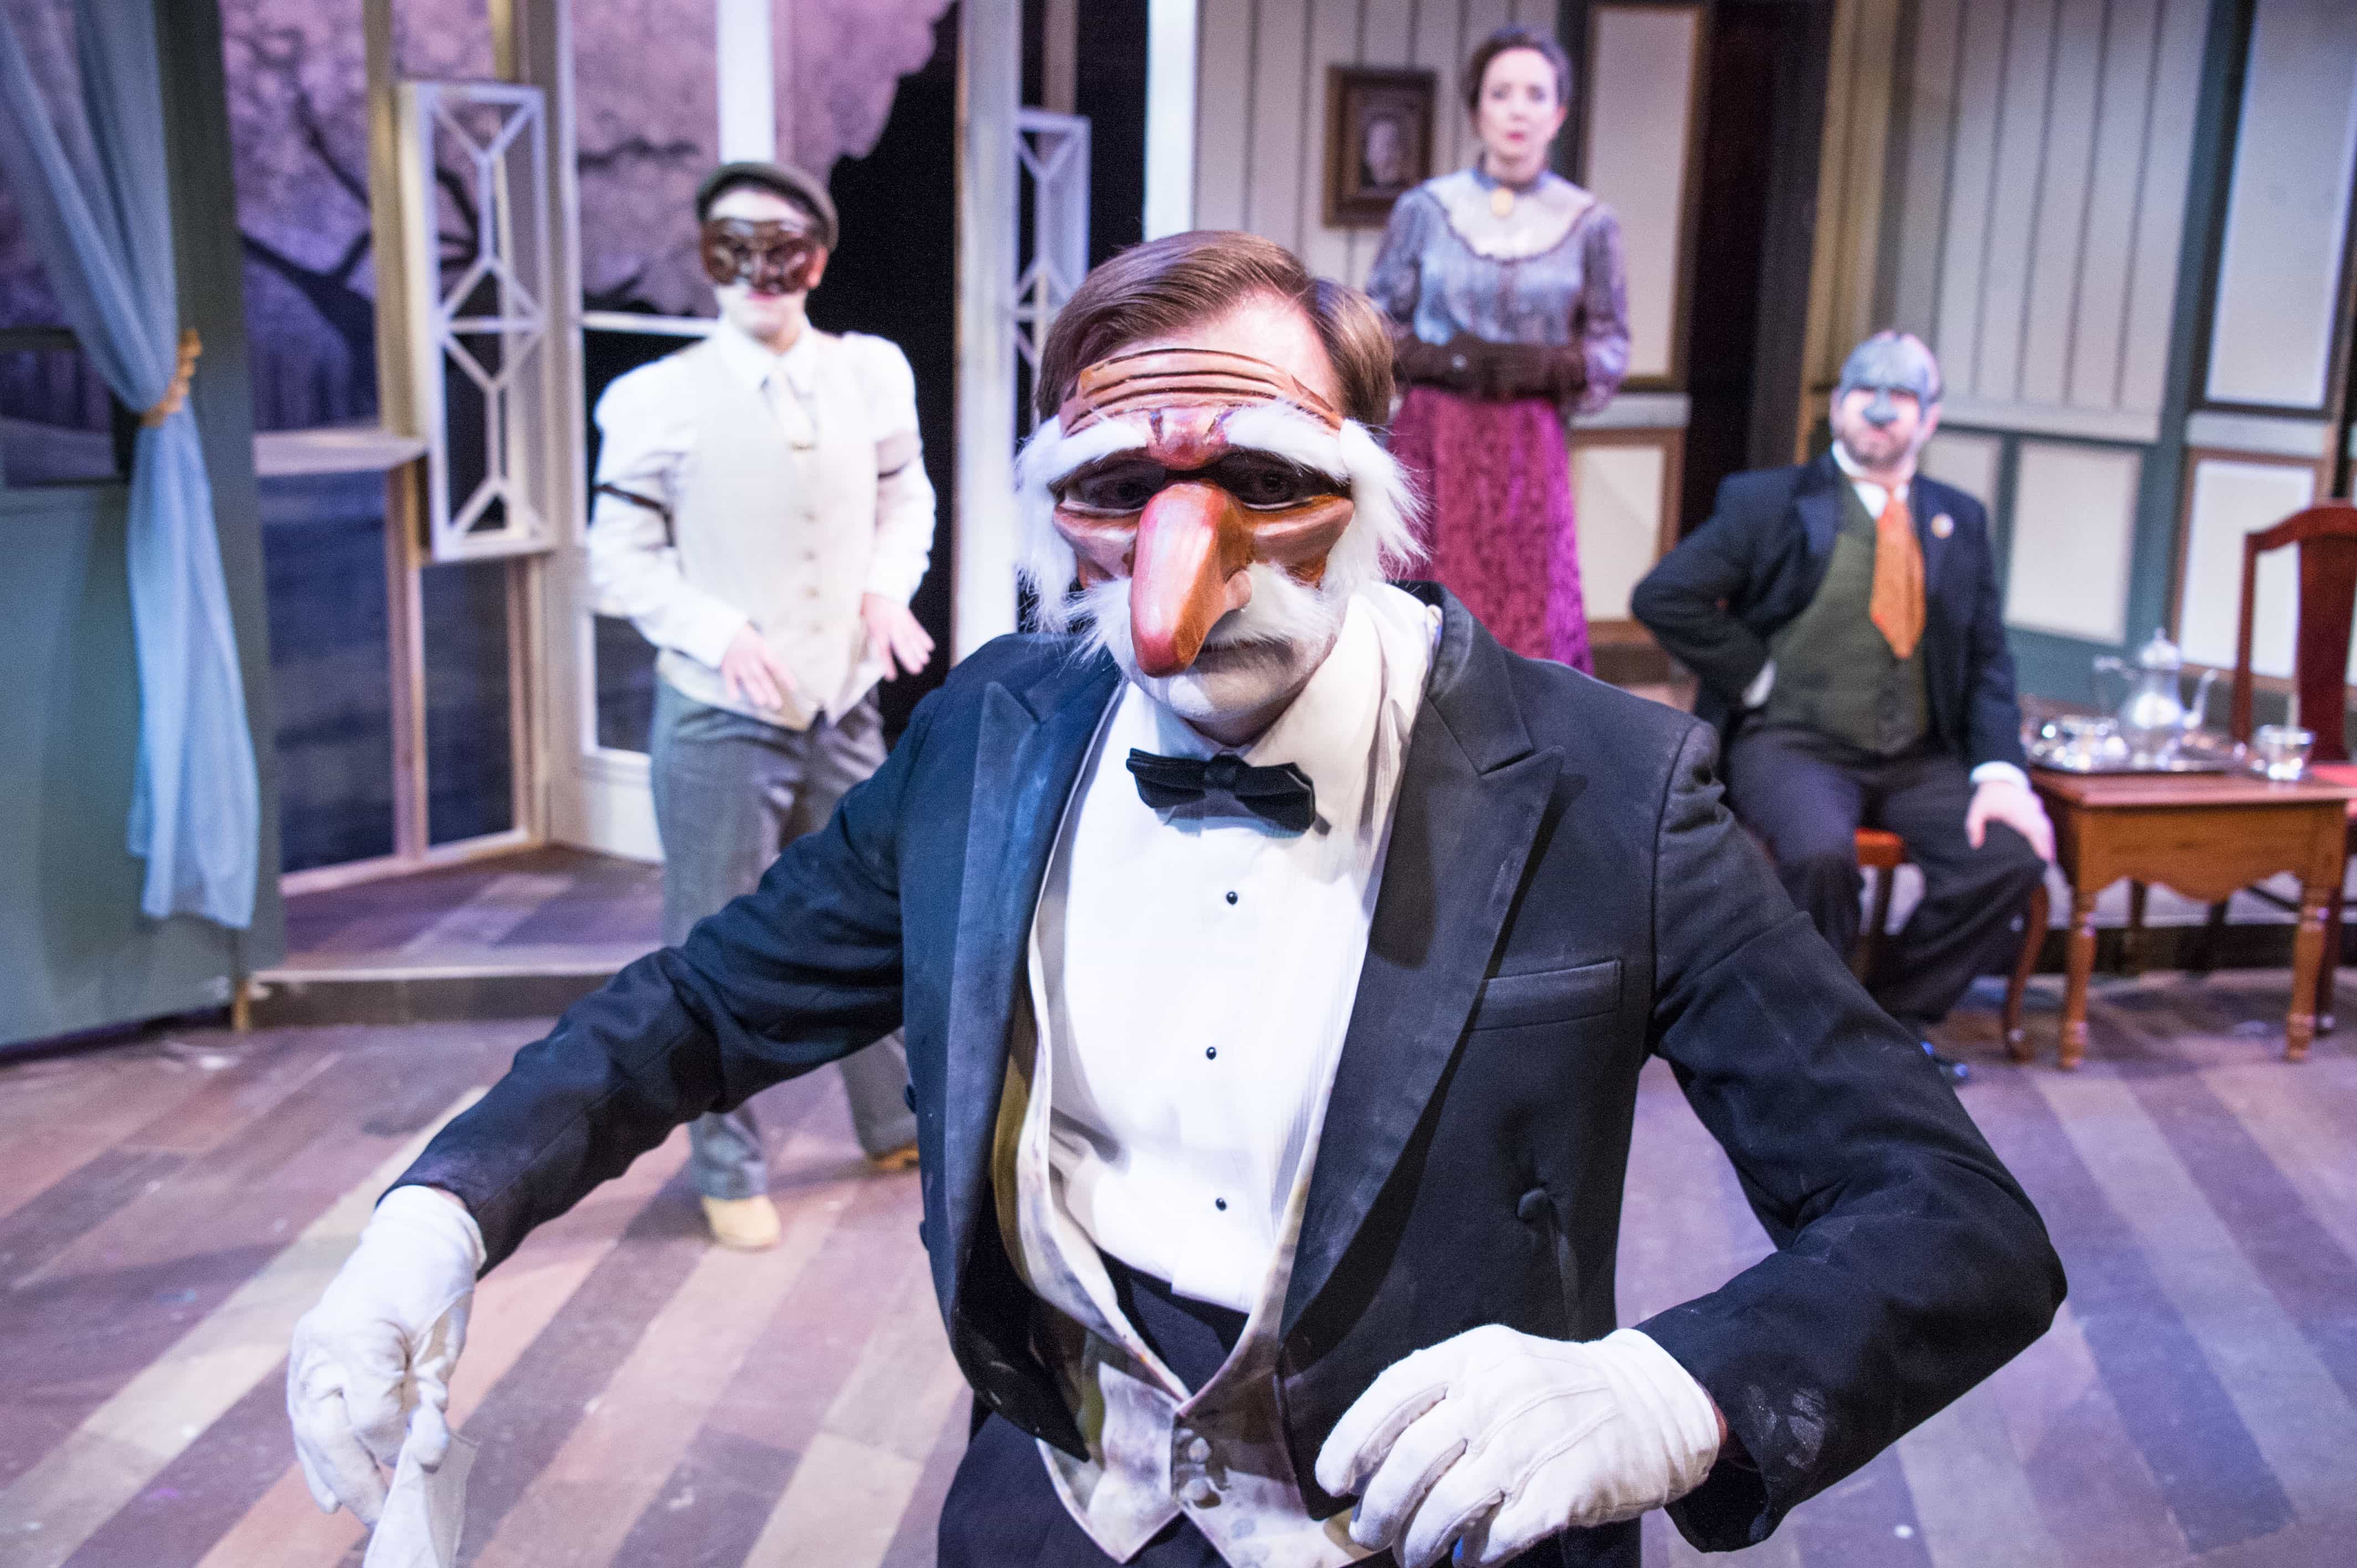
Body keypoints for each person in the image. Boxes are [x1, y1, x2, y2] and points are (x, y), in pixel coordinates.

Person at [287, 236, 2062, 1568]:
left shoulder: (1603, 784)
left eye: (1262, 483)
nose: (1178, 568)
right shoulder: (991, 732)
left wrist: (1666, 1392)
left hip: (1429, 1534)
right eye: (1118, 489)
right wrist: (438, 1214)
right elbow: (703, 1003)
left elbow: (1949, 1217)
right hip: (1064, 1506)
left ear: (1367, 492)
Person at [585, 161, 935, 1250]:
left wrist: (886, 589)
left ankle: (894, 1119)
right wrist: (716, 631)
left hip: (842, 696)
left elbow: (904, 499)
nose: (756, 270)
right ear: (706, 258)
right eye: (731, 245)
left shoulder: (870, 373)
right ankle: (726, 1163)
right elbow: (620, 555)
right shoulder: (658, 398)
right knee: (716, 944)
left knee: (875, 915)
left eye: (780, 246)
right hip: (720, 711)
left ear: (817, 260)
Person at [1631, 331, 2054, 1081]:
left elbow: (1988, 656)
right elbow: (1664, 595)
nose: (1881, 411)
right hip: (1793, 742)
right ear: (1837, 407)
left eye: (1903, 397)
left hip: (1917, 754)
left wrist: (2000, 774)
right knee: (1821, 859)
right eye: (1865, 392)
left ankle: (1892, 1021)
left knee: (2006, 860)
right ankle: (1815, 1035)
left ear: (1930, 417)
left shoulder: (1959, 517)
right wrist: (1754, 675)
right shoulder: (1765, 502)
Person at [1365, 26, 1630, 673]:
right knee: (1423, 602)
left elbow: (1610, 341)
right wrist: (1440, 358)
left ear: (1558, 114)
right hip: (1434, 435)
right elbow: (1371, 320)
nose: (1517, 110)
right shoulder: (1425, 210)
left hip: (1525, 444)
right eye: (1501, 93)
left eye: (1535, 95)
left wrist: (1557, 365)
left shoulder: (1589, 222)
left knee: (1526, 607)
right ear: (1476, 109)